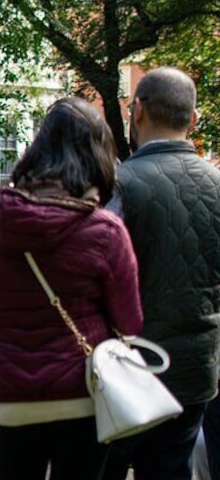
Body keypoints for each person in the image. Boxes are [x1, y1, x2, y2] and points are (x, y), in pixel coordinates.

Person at [0, 97, 143, 480]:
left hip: (11, 392)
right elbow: (130, 322)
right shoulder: (105, 230)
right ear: (100, 154)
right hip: (81, 393)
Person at [102, 67, 220, 480]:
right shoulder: (217, 184)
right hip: (196, 367)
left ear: (136, 113)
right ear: (193, 119)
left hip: (127, 367)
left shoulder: (119, 184)